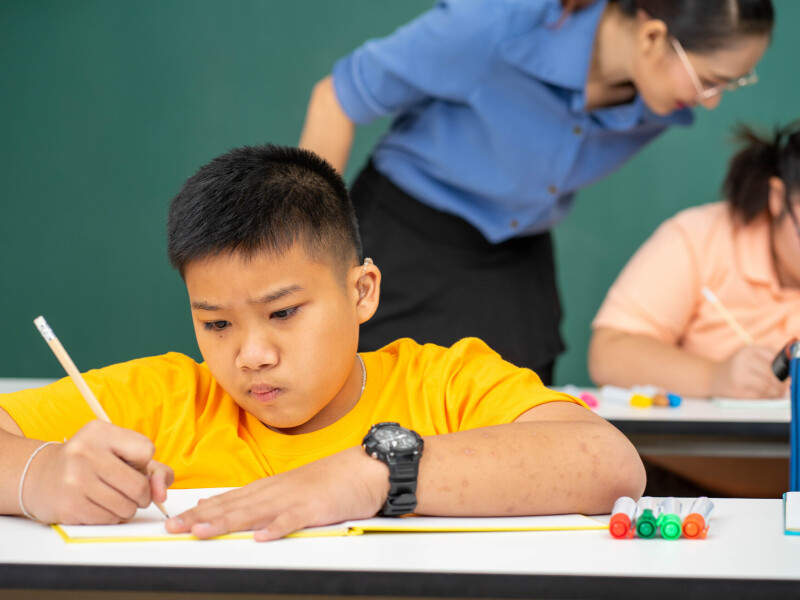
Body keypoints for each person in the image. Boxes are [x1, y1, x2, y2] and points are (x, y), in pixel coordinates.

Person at [0, 145, 644, 540]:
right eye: (216, 324)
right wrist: (37, 475)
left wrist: (367, 477)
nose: (251, 354)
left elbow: (609, 462)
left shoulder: (442, 383)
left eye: (283, 312)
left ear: (362, 292)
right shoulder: (166, 398)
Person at [299, 0, 773, 380]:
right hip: (405, 233)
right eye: (709, 82)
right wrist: (308, 256)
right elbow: (336, 98)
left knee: (521, 418)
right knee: (377, 398)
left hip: (515, 255)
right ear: (652, 36)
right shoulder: (495, 23)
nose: (710, 103)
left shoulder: (661, 98)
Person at [588, 122, 800, 497]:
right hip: (687, 484)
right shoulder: (699, 238)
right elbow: (609, 353)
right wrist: (715, 376)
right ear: (777, 197)